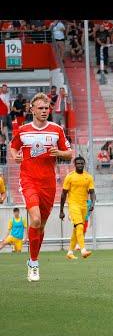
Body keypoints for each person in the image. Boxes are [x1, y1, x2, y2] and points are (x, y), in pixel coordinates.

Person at [10, 92, 73, 281]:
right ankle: (34, 263)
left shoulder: (56, 130)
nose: (44, 111)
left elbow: (69, 153)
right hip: (28, 180)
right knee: (35, 220)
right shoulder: (23, 130)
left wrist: (59, 151)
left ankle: (32, 259)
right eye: (41, 108)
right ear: (32, 110)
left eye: (47, 108)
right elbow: (13, 147)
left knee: (41, 225)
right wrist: (15, 156)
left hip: (49, 183)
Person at [59, 156, 96, 260]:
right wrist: (61, 210)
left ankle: (70, 252)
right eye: (78, 163)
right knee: (80, 226)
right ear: (74, 165)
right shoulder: (69, 177)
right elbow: (63, 194)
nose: (80, 165)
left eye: (81, 163)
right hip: (73, 205)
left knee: (76, 230)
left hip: (84, 206)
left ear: (84, 164)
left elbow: (92, 192)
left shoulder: (88, 177)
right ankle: (83, 250)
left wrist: (93, 203)